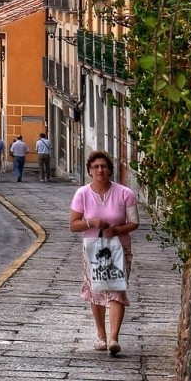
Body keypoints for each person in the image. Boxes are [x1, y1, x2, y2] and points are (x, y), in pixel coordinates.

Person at [70, 150, 139, 356]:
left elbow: (134, 222)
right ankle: (100, 335)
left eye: (104, 166)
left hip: (119, 248)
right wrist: (91, 222)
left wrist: (116, 230)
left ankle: (114, 338)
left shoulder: (125, 193)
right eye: (95, 167)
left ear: (110, 170)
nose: (100, 170)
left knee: (117, 289)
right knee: (96, 290)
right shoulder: (82, 194)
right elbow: (73, 225)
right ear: (90, 171)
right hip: (93, 249)